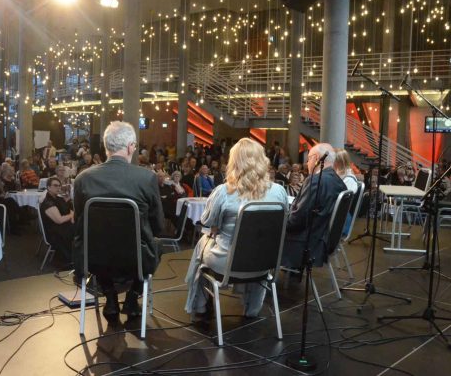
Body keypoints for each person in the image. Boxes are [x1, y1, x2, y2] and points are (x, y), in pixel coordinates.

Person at [184, 138, 288, 318]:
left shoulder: (224, 191)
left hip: (228, 262)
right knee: (256, 247)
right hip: (265, 263)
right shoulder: (279, 191)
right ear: (262, 161)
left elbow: (207, 221)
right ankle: (252, 309)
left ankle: (199, 305)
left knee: (202, 243)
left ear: (234, 163)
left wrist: (218, 226)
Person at [73, 121, 164, 319]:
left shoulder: (83, 179)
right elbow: (158, 227)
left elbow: (79, 224)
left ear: (106, 147)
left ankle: (110, 297)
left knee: (103, 243)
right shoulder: (146, 178)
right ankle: (132, 297)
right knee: (157, 244)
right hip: (135, 260)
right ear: (131, 147)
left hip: (94, 259)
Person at [281, 143, 347, 268]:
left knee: (264, 231)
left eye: (308, 158)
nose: (306, 163)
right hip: (321, 240)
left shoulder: (315, 181)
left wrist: (280, 223)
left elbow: (298, 219)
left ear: (316, 158)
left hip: (305, 244)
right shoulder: (338, 182)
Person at [40, 176, 75, 265]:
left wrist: (68, 203)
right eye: (55, 185)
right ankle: (76, 258)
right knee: (83, 230)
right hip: (54, 233)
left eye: (59, 186)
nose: (58, 188)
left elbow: (69, 209)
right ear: (48, 187)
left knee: (84, 227)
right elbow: (59, 220)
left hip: (62, 228)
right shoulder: (48, 202)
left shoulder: (58, 198)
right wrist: (71, 215)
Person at [333, 149, 359, 238]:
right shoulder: (338, 174)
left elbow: (341, 202)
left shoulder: (349, 179)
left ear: (338, 162)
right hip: (335, 215)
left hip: (340, 219)